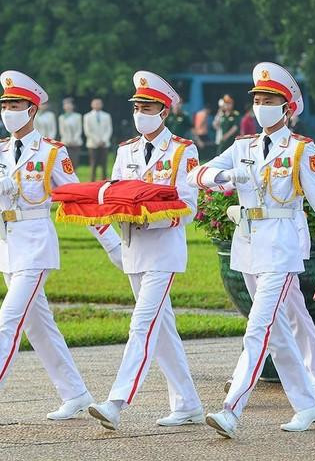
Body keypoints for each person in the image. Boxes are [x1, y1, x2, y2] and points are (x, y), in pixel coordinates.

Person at [0, 71, 120, 428]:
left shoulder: (51, 153)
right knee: (38, 327)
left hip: (36, 243)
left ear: (32, 110)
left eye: (15, 105)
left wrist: (112, 242)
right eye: (5, 106)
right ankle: (75, 394)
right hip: (7, 244)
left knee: (8, 322)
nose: (8, 112)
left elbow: (79, 200)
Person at [198, 63, 315, 438]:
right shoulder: (243, 147)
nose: (261, 106)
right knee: (277, 333)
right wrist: (223, 177)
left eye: (269, 100)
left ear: (287, 108)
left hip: (283, 247)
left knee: (258, 328)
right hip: (249, 245)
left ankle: (231, 409)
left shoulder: (301, 149)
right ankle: (308, 405)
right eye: (257, 99)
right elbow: (198, 174)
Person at [85, 71, 204, 431]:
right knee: (161, 326)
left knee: (142, 324)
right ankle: (187, 403)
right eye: (137, 106)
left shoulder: (183, 150)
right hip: (133, 248)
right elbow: (116, 191)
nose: (141, 112)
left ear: (164, 111)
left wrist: (151, 215)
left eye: (147, 106)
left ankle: (116, 401)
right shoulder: (126, 150)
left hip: (164, 249)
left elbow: (189, 203)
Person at [82, 96, 113, 181]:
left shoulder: (106, 116)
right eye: (95, 103)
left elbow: (109, 129)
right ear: (92, 105)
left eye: (99, 103)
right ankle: (92, 181)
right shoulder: (87, 116)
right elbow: (87, 131)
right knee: (93, 163)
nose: (97, 105)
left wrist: (104, 140)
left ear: (101, 105)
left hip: (104, 143)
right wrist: (97, 140)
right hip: (92, 143)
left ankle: (104, 180)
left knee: (104, 164)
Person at [54, 95, 83, 180]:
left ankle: (75, 178)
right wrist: (68, 140)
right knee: (66, 161)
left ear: (73, 106)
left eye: (69, 104)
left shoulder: (77, 116)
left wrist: (74, 139)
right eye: (66, 104)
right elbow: (62, 130)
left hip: (76, 142)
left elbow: (79, 129)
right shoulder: (62, 117)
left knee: (75, 160)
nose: (68, 106)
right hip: (66, 142)